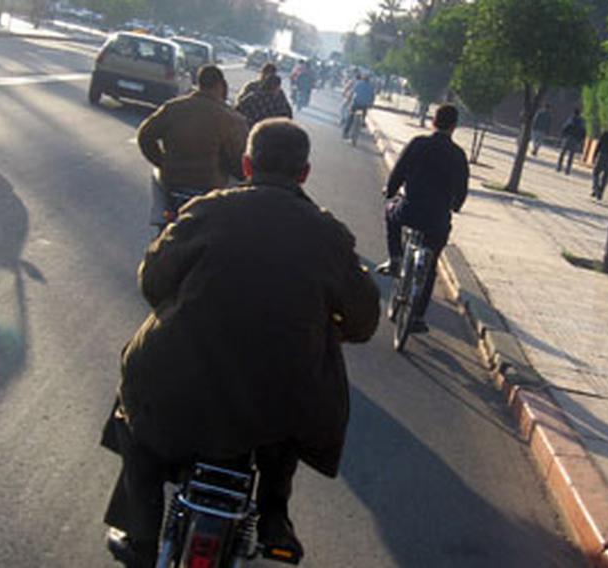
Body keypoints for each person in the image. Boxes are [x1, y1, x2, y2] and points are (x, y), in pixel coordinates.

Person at [103, 119, 381, 567]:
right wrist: (323, 329)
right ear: (304, 173)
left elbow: (153, 282)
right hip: (282, 403)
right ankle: (274, 512)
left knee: (134, 416)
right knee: (286, 421)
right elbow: (365, 321)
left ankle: (141, 537)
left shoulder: (209, 209)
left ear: (248, 164)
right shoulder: (330, 236)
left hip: (179, 385)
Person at [376, 105, 469, 332]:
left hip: (410, 210)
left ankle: (396, 257)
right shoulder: (458, 155)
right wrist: (454, 205)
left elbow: (399, 171)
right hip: (437, 220)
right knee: (430, 266)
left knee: (391, 211)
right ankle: (417, 317)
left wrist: (391, 191)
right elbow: (461, 191)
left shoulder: (419, 144)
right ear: (454, 127)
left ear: (433, 121)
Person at [137, 65, 248, 230]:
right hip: (210, 187)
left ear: (199, 82)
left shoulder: (173, 108)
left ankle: (161, 218)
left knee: (156, 176)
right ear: (221, 86)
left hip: (173, 180)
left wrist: (163, 162)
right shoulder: (232, 119)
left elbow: (144, 136)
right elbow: (238, 162)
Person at [342, 73, 375, 139]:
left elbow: (352, 92)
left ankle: (345, 132)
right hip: (364, 106)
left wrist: (349, 98)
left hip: (356, 104)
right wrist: (371, 104)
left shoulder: (358, 84)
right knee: (363, 114)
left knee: (350, 117)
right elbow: (373, 97)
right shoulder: (371, 87)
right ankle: (362, 121)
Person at [556, 108, 586, 175]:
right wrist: (580, 140)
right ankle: (568, 169)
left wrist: (563, 135)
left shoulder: (571, 119)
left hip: (568, 138)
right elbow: (583, 132)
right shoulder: (582, 122)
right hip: (575, 140)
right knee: (571, 155)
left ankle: (559, 166)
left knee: (563, 153)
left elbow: (565, 127)